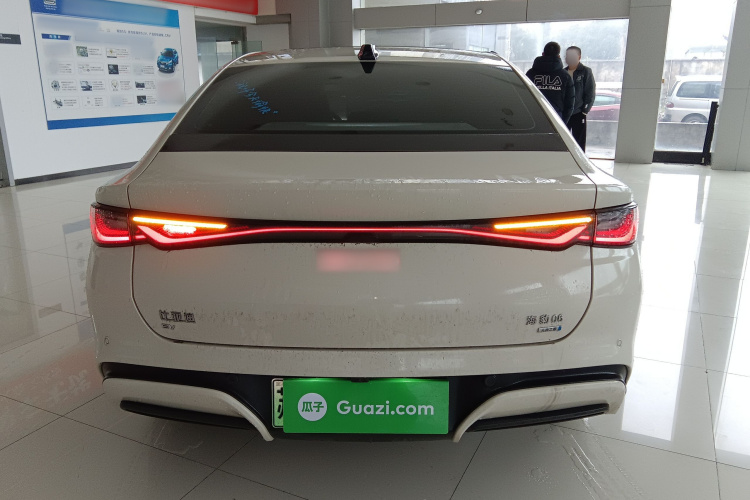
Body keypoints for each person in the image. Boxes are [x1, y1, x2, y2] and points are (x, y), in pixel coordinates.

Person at [526, 42, 575, 124]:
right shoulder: (565, 76)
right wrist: (562, 123)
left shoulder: (530, 74)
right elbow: (570, 104)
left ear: (543, 54)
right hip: (556, 120)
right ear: (559, 56)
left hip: (532, 119)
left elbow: (523, 97)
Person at [564, 46, 596, 151]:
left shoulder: (585, 71)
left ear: (579, 57)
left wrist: (584, 111)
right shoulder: (563, 72)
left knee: (579, 141)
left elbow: (590, 93)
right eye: (567, 56)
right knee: (564, 140)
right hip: (565, 113)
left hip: (578, 113)